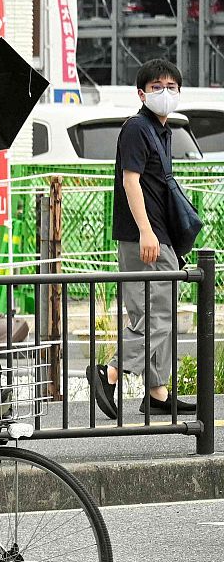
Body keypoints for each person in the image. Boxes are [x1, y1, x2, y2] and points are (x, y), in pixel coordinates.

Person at [88, 58, 197, 418]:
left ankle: (157, 393)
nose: (165, 93)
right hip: (144, 239)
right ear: (141, 93)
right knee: (158, 317)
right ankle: (111, 372)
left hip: (157, 237)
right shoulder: (137, 127)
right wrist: (147, 231)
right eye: (156, 88)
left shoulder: (161, 131)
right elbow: (130, 181)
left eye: (171, 87)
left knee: (152, 315)